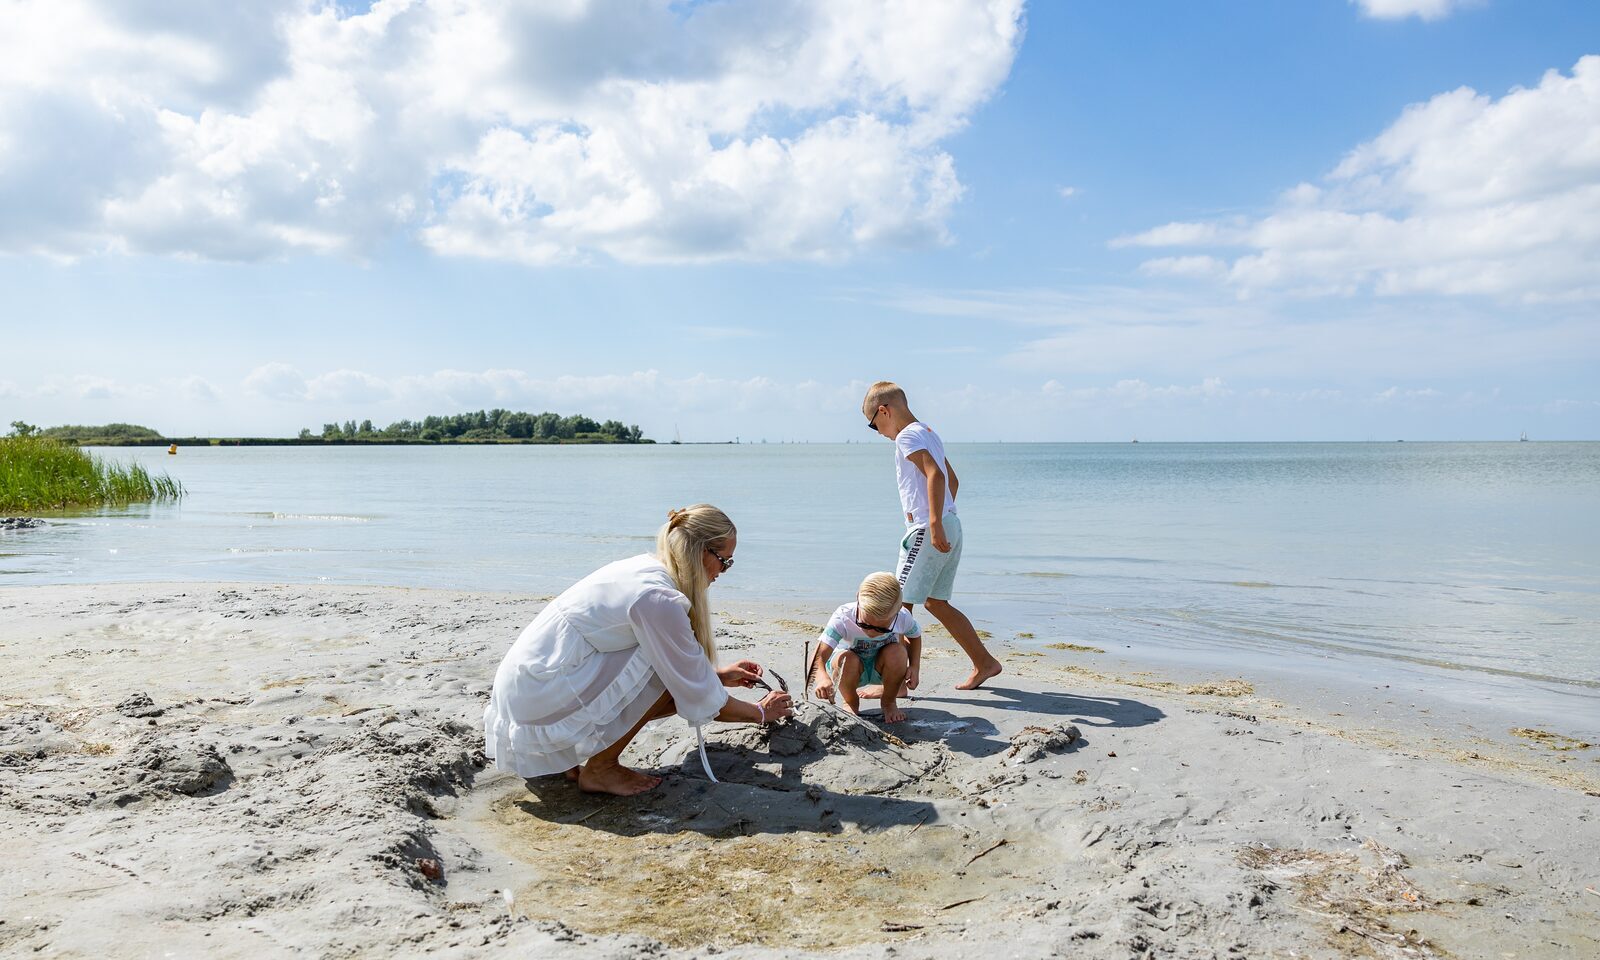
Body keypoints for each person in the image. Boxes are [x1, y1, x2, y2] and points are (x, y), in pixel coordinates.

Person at [483, 504, 792, 796]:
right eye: (725, 561)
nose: (723, 572)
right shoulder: (658, 598)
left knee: (665, 667)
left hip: (531, 685)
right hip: (538, 691)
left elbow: (687, 676)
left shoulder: (647, 568)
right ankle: (601, 768)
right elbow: (698, 692)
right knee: (659, 668)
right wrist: (761, 712)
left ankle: (573, 760)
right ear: (701, 551)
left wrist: (719, 675)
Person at [862, 381, 1003, 691]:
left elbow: (936, 475)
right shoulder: (928, 432)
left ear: (883, 411)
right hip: (950, 523)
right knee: (936, 602)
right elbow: (952, 478)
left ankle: (896, 683)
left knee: (897, 605)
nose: (878, 432)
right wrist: (945, 516)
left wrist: (934, 522)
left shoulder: (905, 437)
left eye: (874, 425)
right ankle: (985, 663)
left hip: (928, 528)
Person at [807, 572, 921, 723]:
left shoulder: (902, 616)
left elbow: (914, 636)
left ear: (898, 610)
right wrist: (822, 678)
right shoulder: (844, 617)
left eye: (882, 629)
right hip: (849, 671)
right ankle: (850, 702)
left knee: (898, 652)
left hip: (880, 668)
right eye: (864, 625)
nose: (871, 632)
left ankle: (889, 702)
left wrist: (914, 666)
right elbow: (818, 657)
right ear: (857, 599)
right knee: (848, 659)